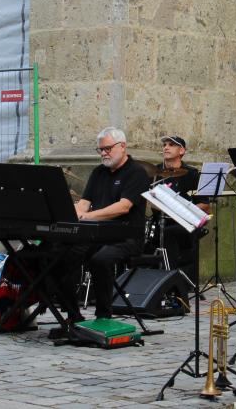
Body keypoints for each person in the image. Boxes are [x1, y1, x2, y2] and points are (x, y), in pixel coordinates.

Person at [50, 127, 149, 333]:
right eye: (100, 149)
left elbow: (124, 207)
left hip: (126, 235)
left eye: (108, 148)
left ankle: (104, 315)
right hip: (96, 233)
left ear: (122, 146)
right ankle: (73, 315)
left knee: (100, 260)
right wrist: (72, 215)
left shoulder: (137, 172)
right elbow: (84, 204)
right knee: (60, 254)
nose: (103, 153)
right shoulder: (98, 172)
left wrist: (89, 216)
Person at [150, 135, 210, 276]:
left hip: (185, 222)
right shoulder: (153, 172)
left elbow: (205, 205)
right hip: (159, 221)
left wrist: (183, 212)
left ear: (181, 151)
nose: (166, 147)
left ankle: (176, 281)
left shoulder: (192, 174)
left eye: (171, 145)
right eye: (164, 145)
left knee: (170, 233)